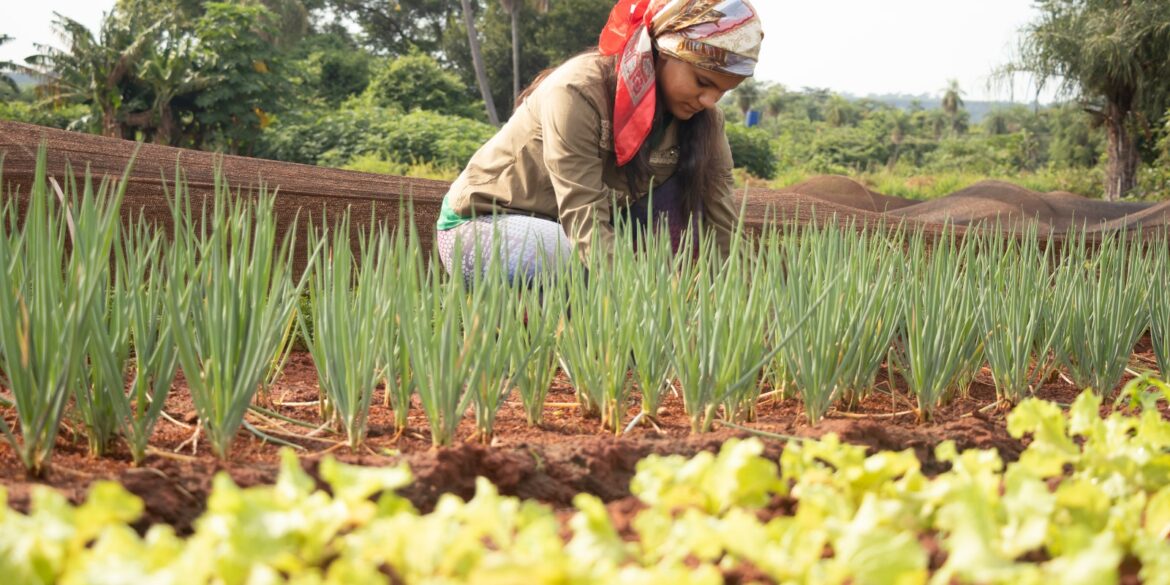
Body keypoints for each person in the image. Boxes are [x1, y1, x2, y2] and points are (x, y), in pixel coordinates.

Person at [435, 0, 764, 281]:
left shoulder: (704, 120)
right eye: (702, 81)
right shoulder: (577, 92)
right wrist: (644, 305)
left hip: (566, 230)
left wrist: (753, 306)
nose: (710, 100)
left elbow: (723, 222)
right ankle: (544, 337)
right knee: (566, 259)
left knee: (688, 204)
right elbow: (585, 221)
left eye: (723, 91)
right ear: (663, 51)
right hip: (487, 224)